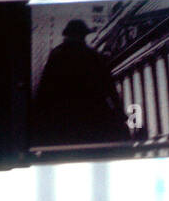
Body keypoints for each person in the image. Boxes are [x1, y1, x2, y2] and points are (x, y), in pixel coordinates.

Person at [32, 19, 129, 147]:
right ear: (82, 36)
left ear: (67, 36)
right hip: (92, 117)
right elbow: (109, 87)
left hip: (63, 119)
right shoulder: (93, 55)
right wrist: (119, 112)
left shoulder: (56, 55)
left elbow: (45, 90)